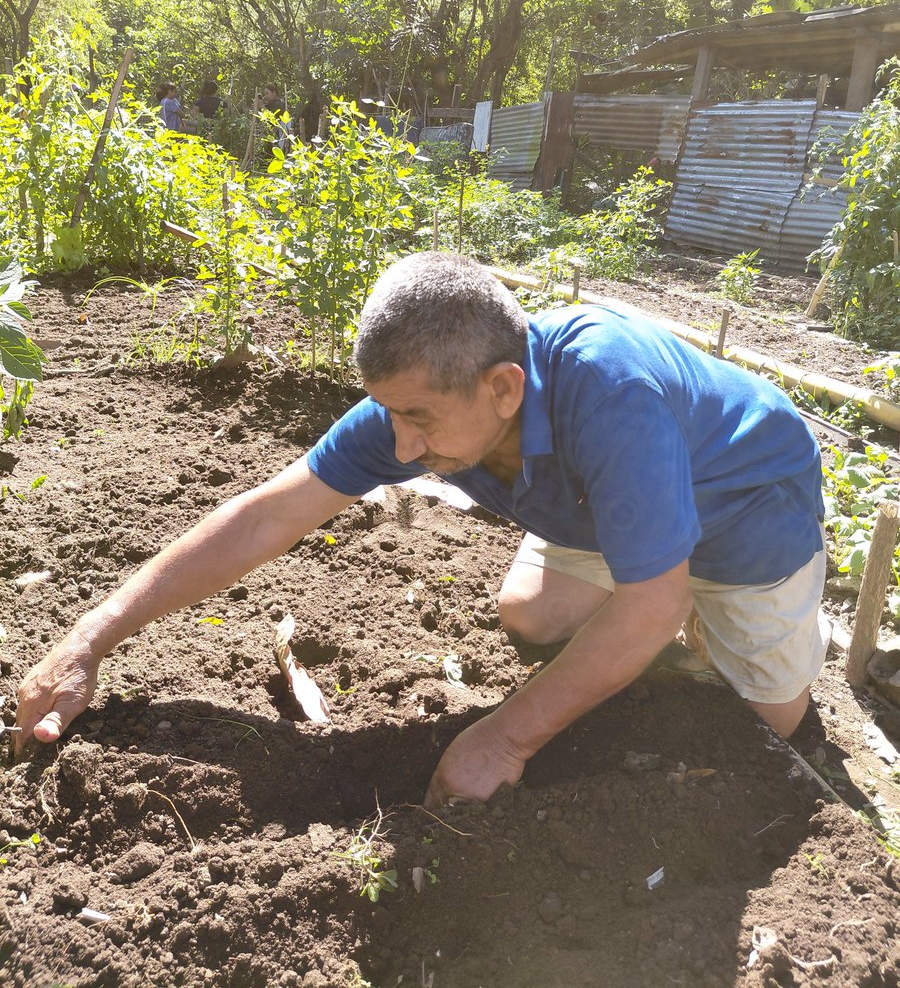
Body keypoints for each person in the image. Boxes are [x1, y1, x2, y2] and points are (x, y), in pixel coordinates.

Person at [15, 254, 828, 806]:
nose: (400, 447)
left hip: (743, 506)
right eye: (389, 413)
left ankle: (764, 616)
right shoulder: (422, 400)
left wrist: (505, 739)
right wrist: (93, 637)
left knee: (757, 730)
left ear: (504, 389)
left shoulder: (611, 396)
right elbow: (267, 515)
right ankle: (655, 570)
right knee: (531, 617)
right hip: (603, 501)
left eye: (419, 420)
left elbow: (650, 607)